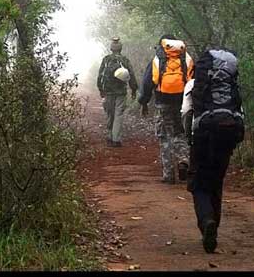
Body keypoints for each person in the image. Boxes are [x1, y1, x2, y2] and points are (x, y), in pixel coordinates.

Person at [182, 48, 245, 253]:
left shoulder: (193, 85)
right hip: (228, 133)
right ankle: (214, 226)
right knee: (216, 181)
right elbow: (240, 111)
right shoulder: (231, 86)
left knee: (198, 183)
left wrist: (189, 138)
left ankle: (207, 221)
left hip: (203, 134)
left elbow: (186, 113)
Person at [138, 34, 194, 184]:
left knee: (164, 137)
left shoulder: (158, 59)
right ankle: (183, 160)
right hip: (182, 102)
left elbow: (147, 83)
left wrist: (143, 102)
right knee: (180, 132)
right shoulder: (185, 58)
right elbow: (194, 81)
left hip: (162, 102)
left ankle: (168, 174)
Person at [97, 37, 138, 147]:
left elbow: (100, 75)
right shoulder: (125, 60)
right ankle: (116, 139)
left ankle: (110, 136)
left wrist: (101, 89)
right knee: (118, 114)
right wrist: (134, 89)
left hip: (108, 92)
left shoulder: (106, 59)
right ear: (121, 49)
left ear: (111, 48)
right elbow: (131, 75)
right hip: (121, 92)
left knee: (109, 114)